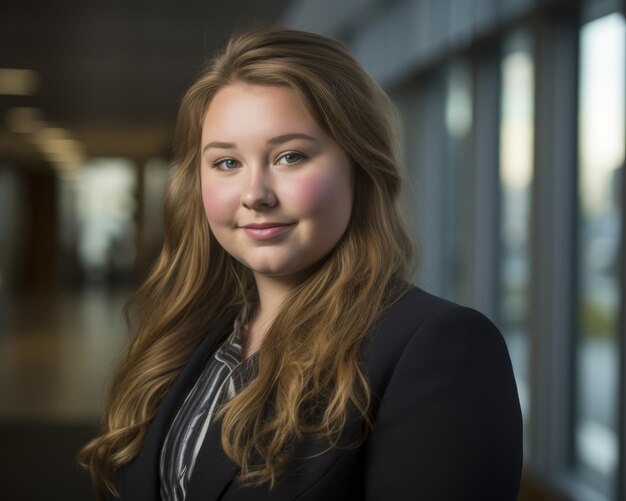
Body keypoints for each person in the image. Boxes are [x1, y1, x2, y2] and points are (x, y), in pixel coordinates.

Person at [79, 27, 523, 500]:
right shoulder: (191, 337)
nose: (255, 195)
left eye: (290, 157)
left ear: (359, 164)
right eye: (227, 163)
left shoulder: (441, 348)